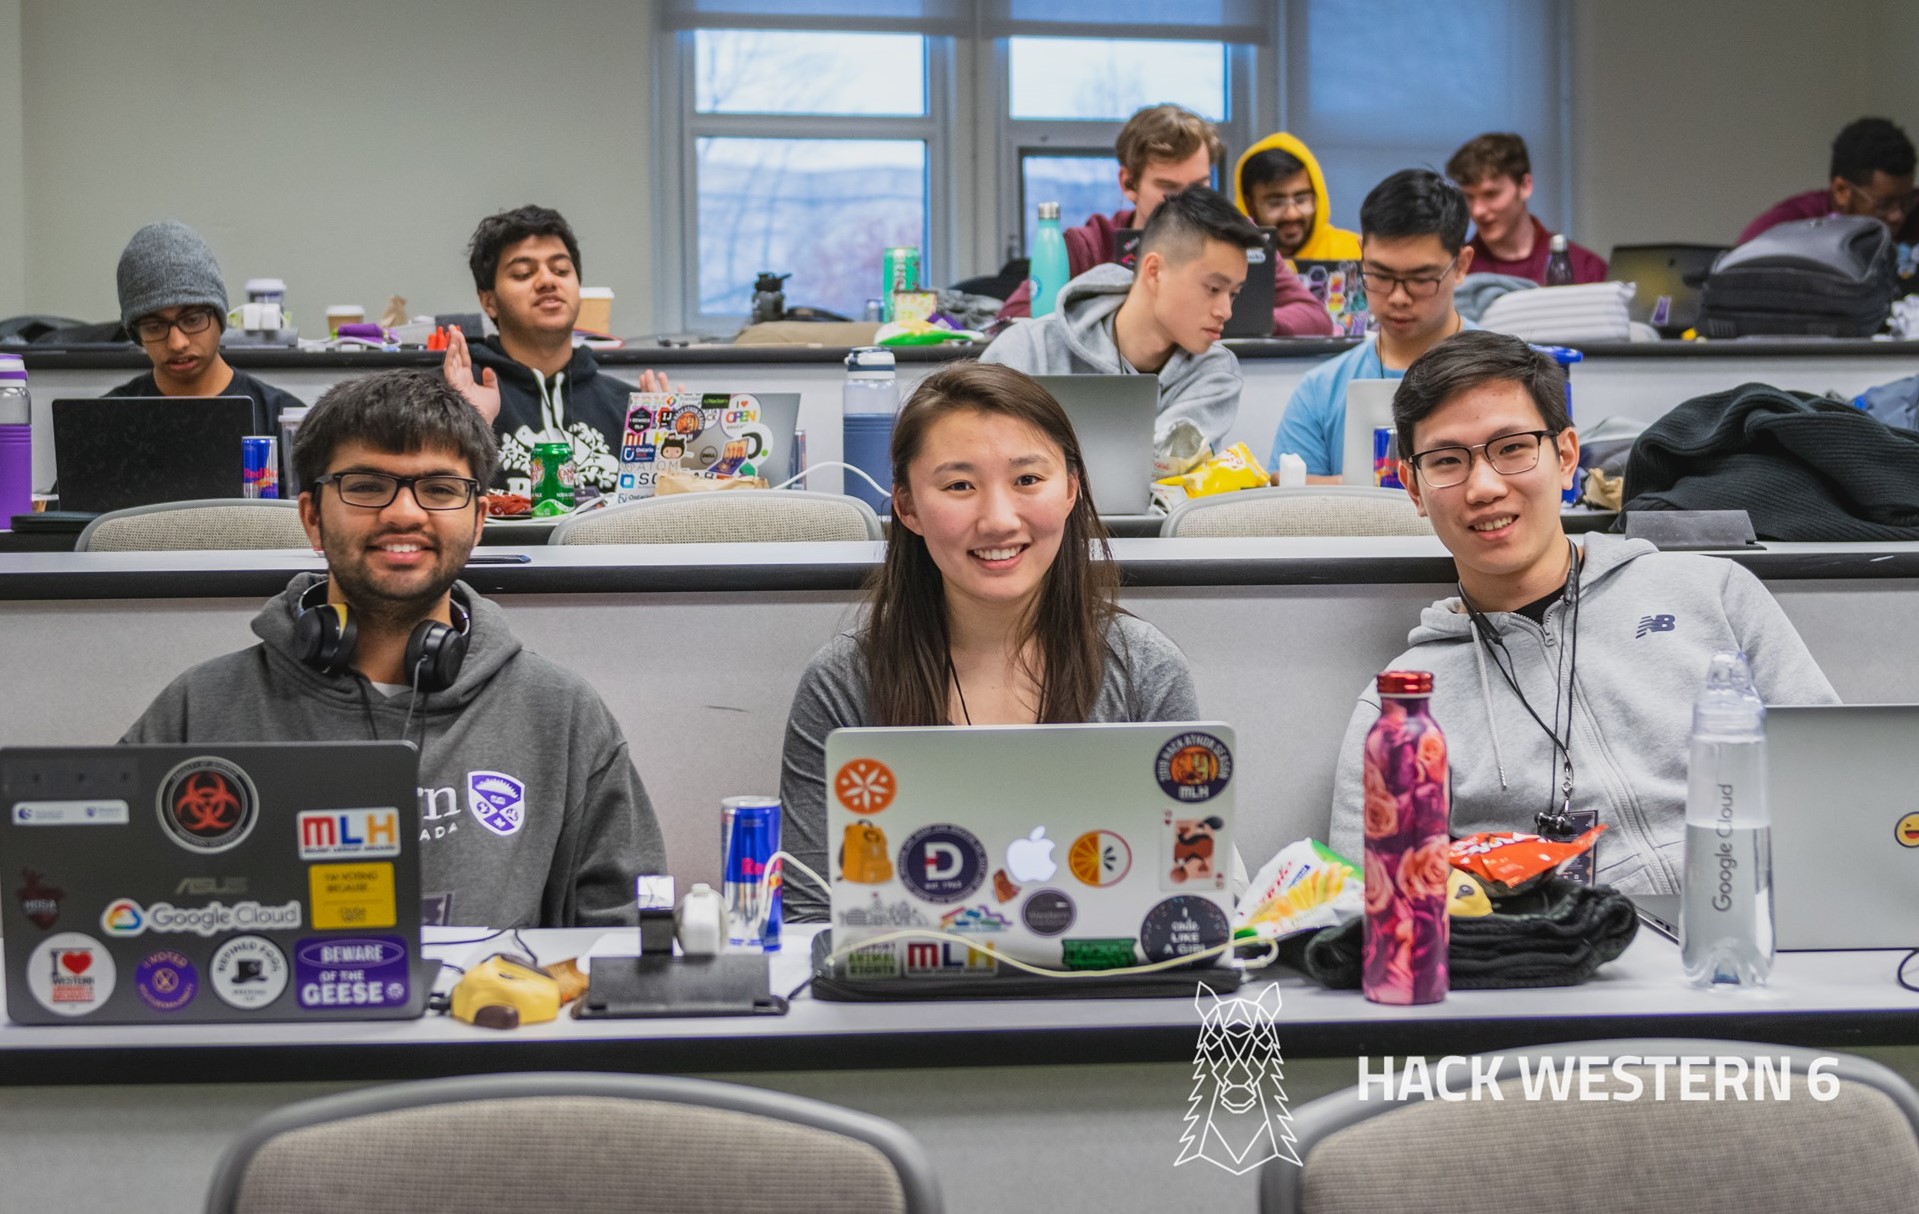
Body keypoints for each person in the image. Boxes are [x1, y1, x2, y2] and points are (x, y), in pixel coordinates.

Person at [124, 370, 665, 928]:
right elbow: (110, 903)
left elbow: (626, 929)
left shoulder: (561, 713)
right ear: (312, 517)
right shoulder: (200, 709)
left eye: (439, 489)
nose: (404, 513)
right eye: (365, 486)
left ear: (479, 521)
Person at [1326, 331, 1837, 893]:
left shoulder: (1713, 594)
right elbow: (1376, 912)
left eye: (1513, 447)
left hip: (1759, 924)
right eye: (1447, 461)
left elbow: (1837, 782)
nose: (1485, 487)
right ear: (1414, 488)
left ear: (1565, 457)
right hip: (1565, 963)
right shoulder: (1402, 709)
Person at [779, 361, 1240, 921]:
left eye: (1027, 480)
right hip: (901, 1001)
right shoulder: (843, 684)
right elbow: (810, 916)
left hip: (1103, 996)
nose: (999, 519)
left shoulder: (1144, 670)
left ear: (1072, 488)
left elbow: (1189, 900)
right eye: (959, 486)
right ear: (907, 508)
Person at [979, 187, 1261, 457]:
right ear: (1154, 271)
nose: (1225, 311)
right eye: (1213, 289)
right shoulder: (1027, 348)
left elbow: (1162, 474)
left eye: (1233, 294)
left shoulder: (1217, 374)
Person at [443, 204, 672, 495]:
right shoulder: (458, 395)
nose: (548, 281)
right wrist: (464, 425)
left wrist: (671, 452)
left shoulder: (630, 410)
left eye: (561, 270)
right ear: (489, 301)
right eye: (524, 273)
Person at [1271, 170, 1475, 479]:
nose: (1398, 297)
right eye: (1379, 275)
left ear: (1461, 265)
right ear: (1361, 253)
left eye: (1420, 279)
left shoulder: (1513, 375)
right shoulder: (1321, 391)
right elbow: (1291, 508)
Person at [106, 221, 304, 428]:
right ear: (136, 334)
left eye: (192, 320)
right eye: (155, 327)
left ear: (219, 317)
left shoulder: (282, 420)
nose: (177, 343)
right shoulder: (105, 419)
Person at [1447, 133, 1607, 285]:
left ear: (1525, 186)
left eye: (1491, 194)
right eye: (1469, 197)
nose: (1477, 211)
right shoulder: (1453, 270)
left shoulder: (1586, 269)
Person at [1739, 117, 1918, 245]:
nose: (1898, 215)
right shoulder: (1785, 229)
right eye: (1885, 204)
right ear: (1841, 191)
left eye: (1906, 201)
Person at [1233, 132, 1361, 262]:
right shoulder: (1229, 260)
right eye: (1276, 203)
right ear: (1249, 205)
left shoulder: (1356, 252)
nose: (1292, 214)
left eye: (1301, 200)